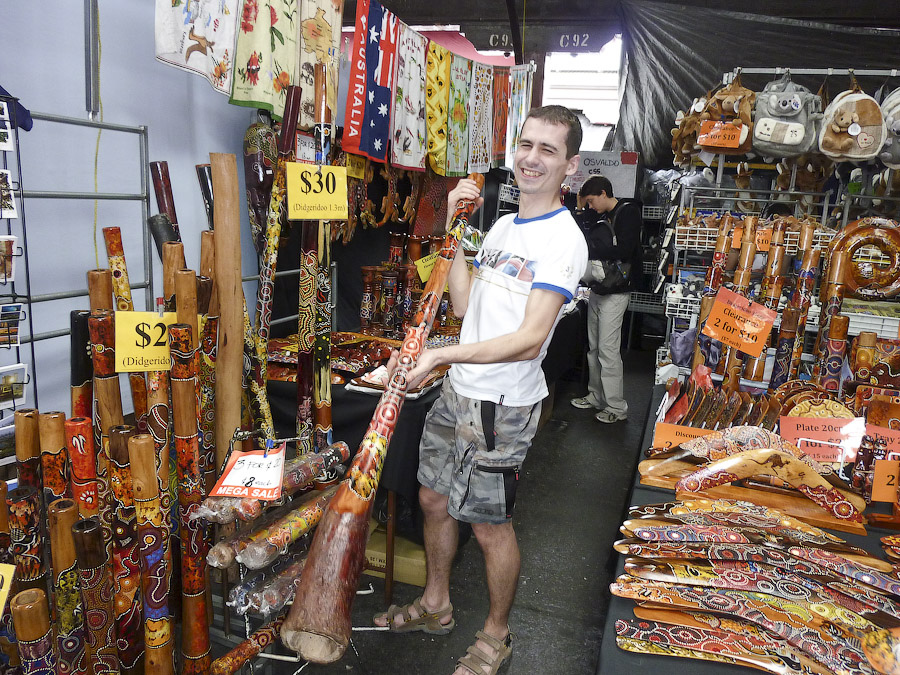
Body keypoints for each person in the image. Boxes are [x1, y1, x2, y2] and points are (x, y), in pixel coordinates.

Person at [373, 105, 588, 675]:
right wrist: (455, 231)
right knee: (432, 499)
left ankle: (496, 635)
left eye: (548, 150)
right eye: (526, 145)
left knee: (489, 525)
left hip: (502, 406)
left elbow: (529, 340)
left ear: (569, 166)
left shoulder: (564, 241)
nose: (531, 159)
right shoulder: (503, 226)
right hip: (458, 391)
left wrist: (440, 355)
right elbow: (465, 306)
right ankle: (436, 604)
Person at [569, 175, 642, 423]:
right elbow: (579, 235)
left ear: (603, 193)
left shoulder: (628, 212)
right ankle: (596, 396)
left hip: (616, 291)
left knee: (608, 351)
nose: (590, 206)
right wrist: (581, 210)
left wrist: (590, 250)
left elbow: (625, 250)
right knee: (594, 348)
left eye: (591, 201)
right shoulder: (598, 215)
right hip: (598, 288)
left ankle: (616, 407)